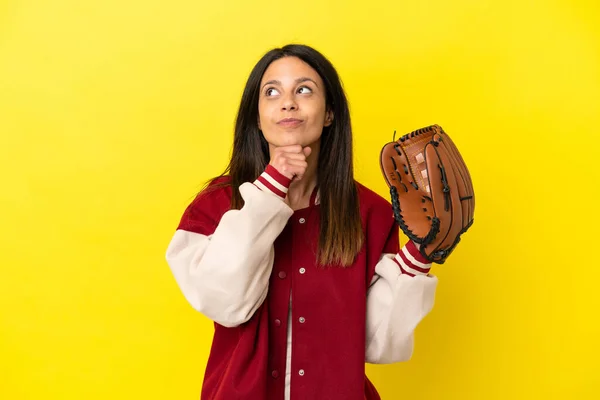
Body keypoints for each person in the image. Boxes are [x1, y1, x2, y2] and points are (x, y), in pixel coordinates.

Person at [165, 44, 438, 400]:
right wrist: (272, 186)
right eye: (272, 91)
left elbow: (375, 344)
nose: (288, 102)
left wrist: (418, 257)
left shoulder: (370, 212)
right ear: (257, 117)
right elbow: (226, 303)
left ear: (329, 114)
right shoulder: (215, 205)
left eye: (304, 89)